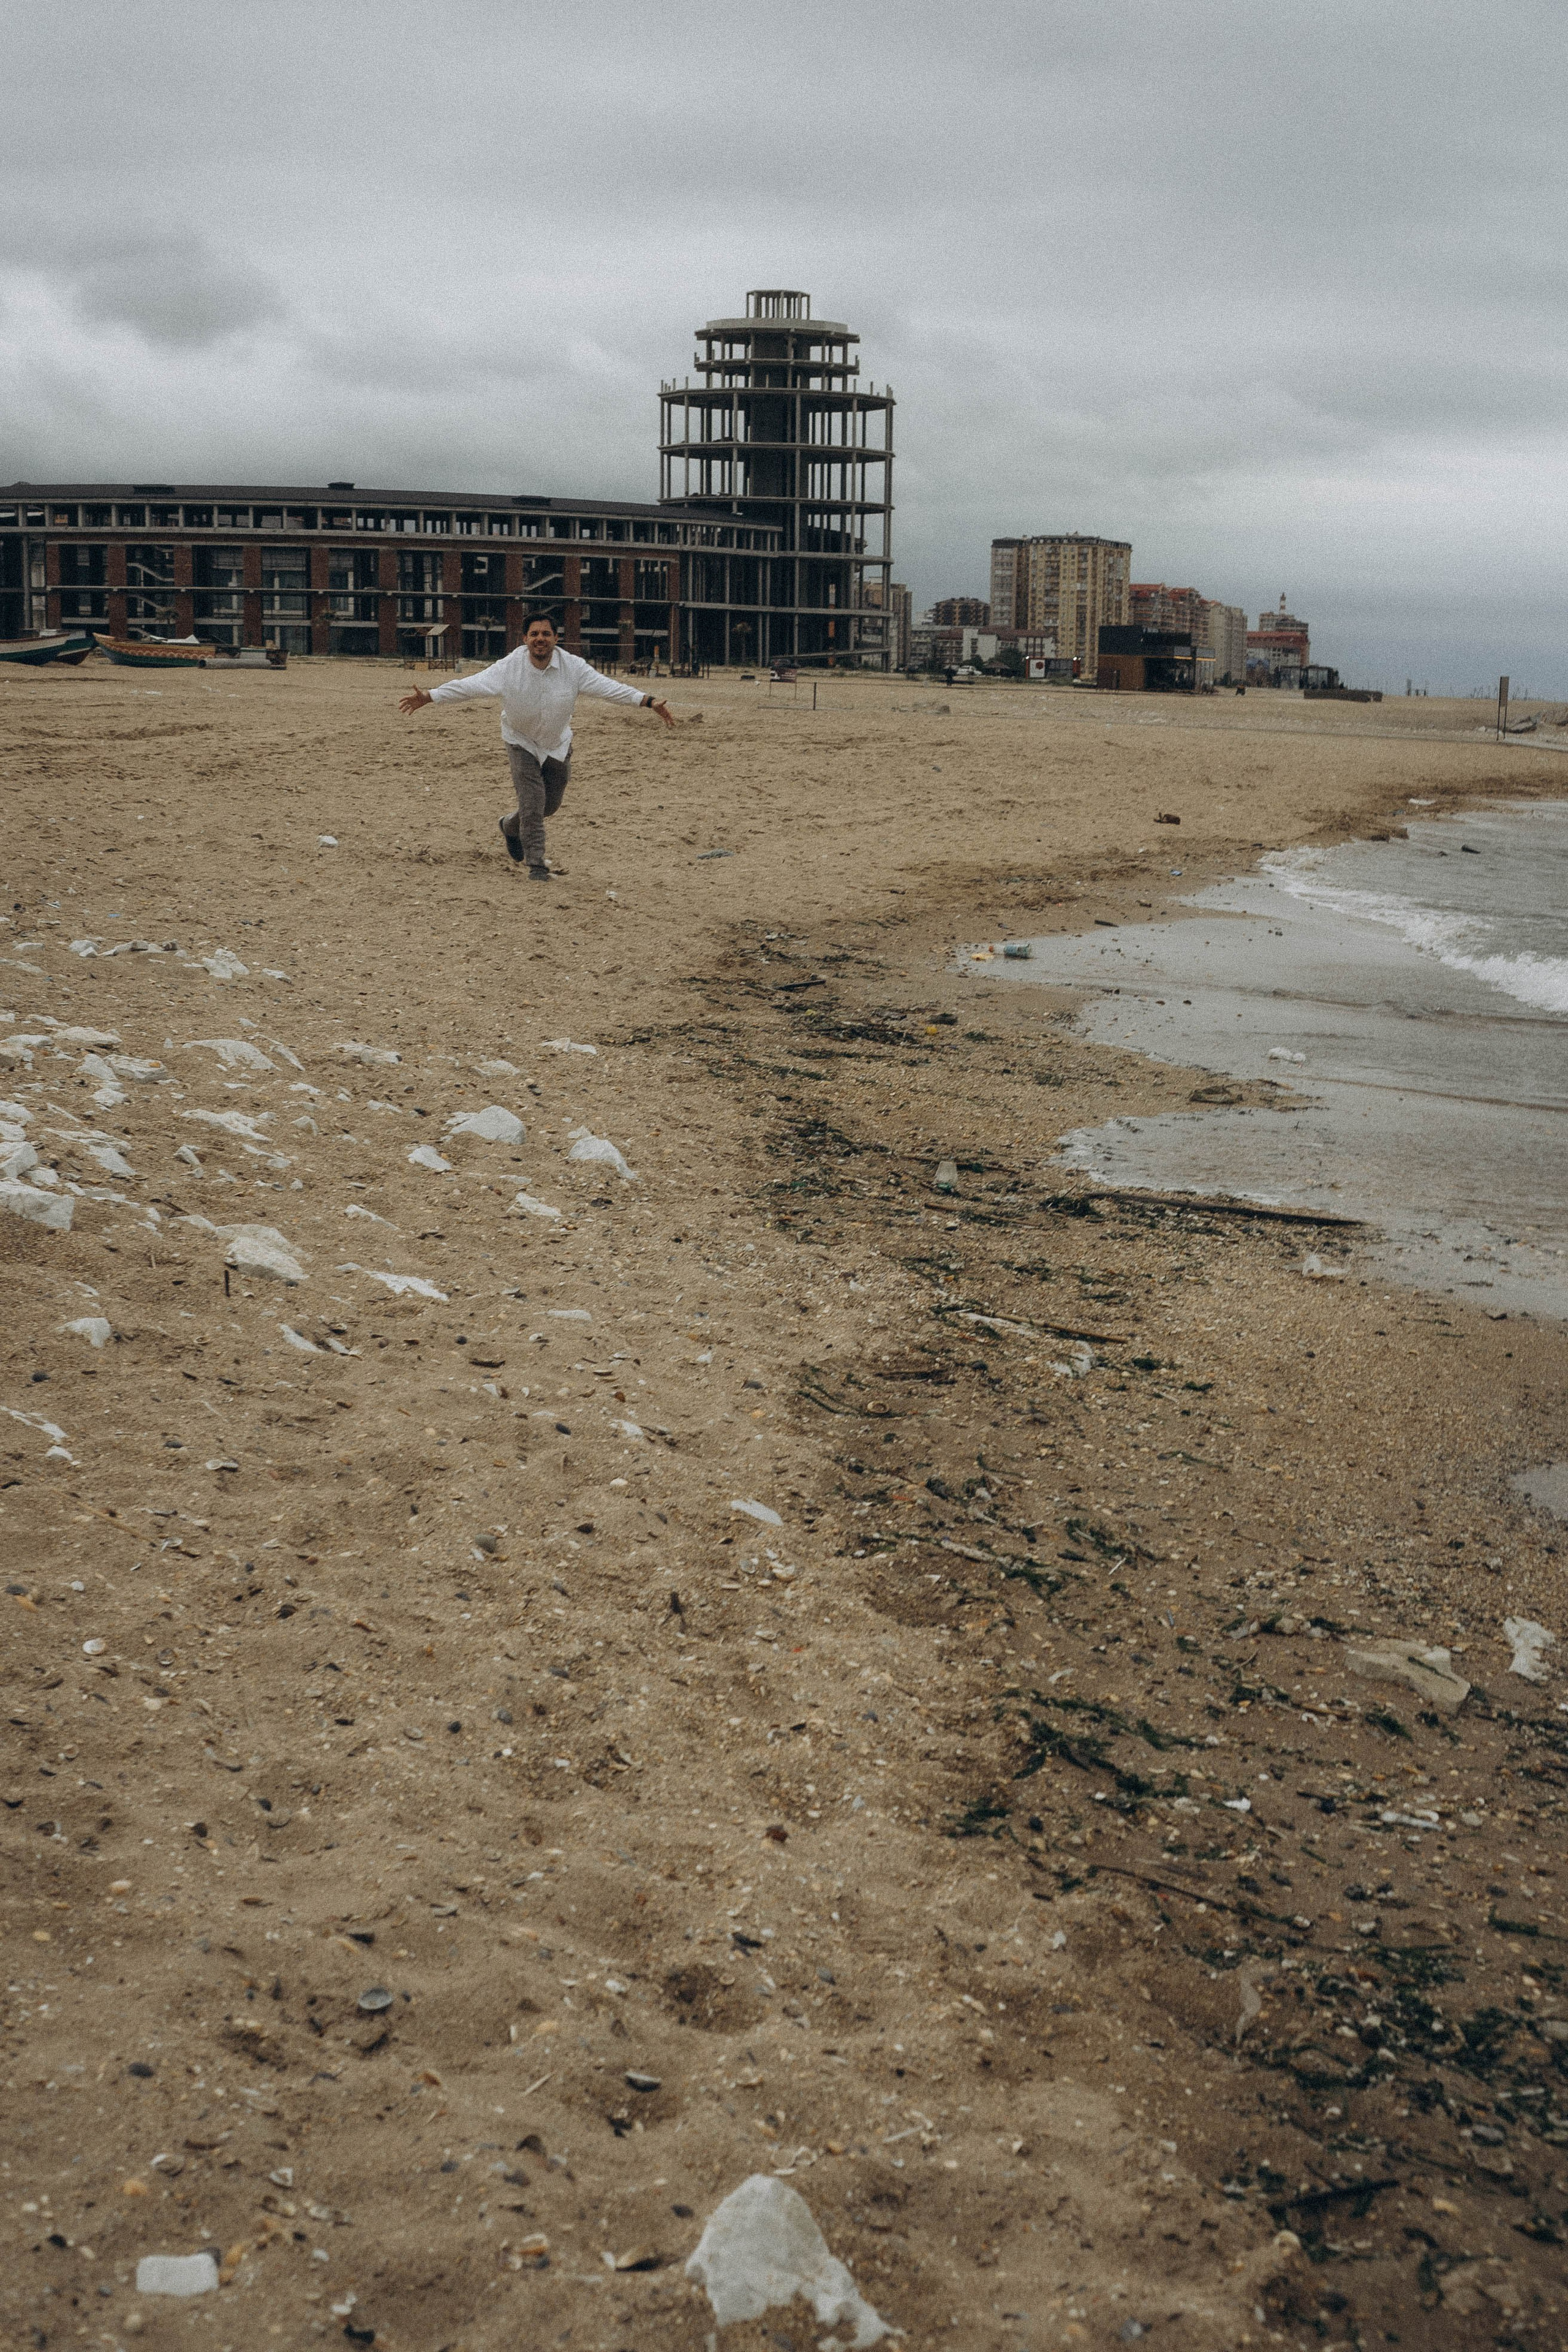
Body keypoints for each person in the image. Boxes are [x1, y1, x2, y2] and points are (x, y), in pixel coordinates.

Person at [399, 613, 675, 879]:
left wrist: (648, 701)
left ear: (556, 638)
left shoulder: (574, 668)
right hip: (520, 741)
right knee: (532, 802)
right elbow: (471, 685)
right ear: (525, 639)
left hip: (557, 743)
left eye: (546, 634)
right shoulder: (509, 667)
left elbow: (609, 688)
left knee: (549, 805)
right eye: (534, 634)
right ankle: (537, 865)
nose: (539, 639)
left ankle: (509, 825)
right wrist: (432, 696)